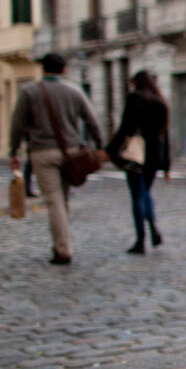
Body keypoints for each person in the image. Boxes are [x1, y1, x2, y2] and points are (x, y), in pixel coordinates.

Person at [7, 52, 104, 265]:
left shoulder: (29, 92)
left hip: (42, 152)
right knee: (63, 198)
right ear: (64, 70)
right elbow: (91, 120)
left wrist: (13, 151)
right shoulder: (74, 91)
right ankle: (62, 242)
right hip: (72, 152)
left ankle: (63, 248)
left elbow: (17, 125)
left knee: (54, 200)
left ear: (43, 69)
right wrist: (100, 145)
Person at [106, 70, 170, 255]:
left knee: (138, 195)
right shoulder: (161, 103)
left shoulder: (135, 99)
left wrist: (110, 150)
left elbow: (126, 127)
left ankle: (141, 240)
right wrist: (166, 165)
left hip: (136, 153)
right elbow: (164, 136)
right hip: (154, 155)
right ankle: (154, 229)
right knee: (145, 193)